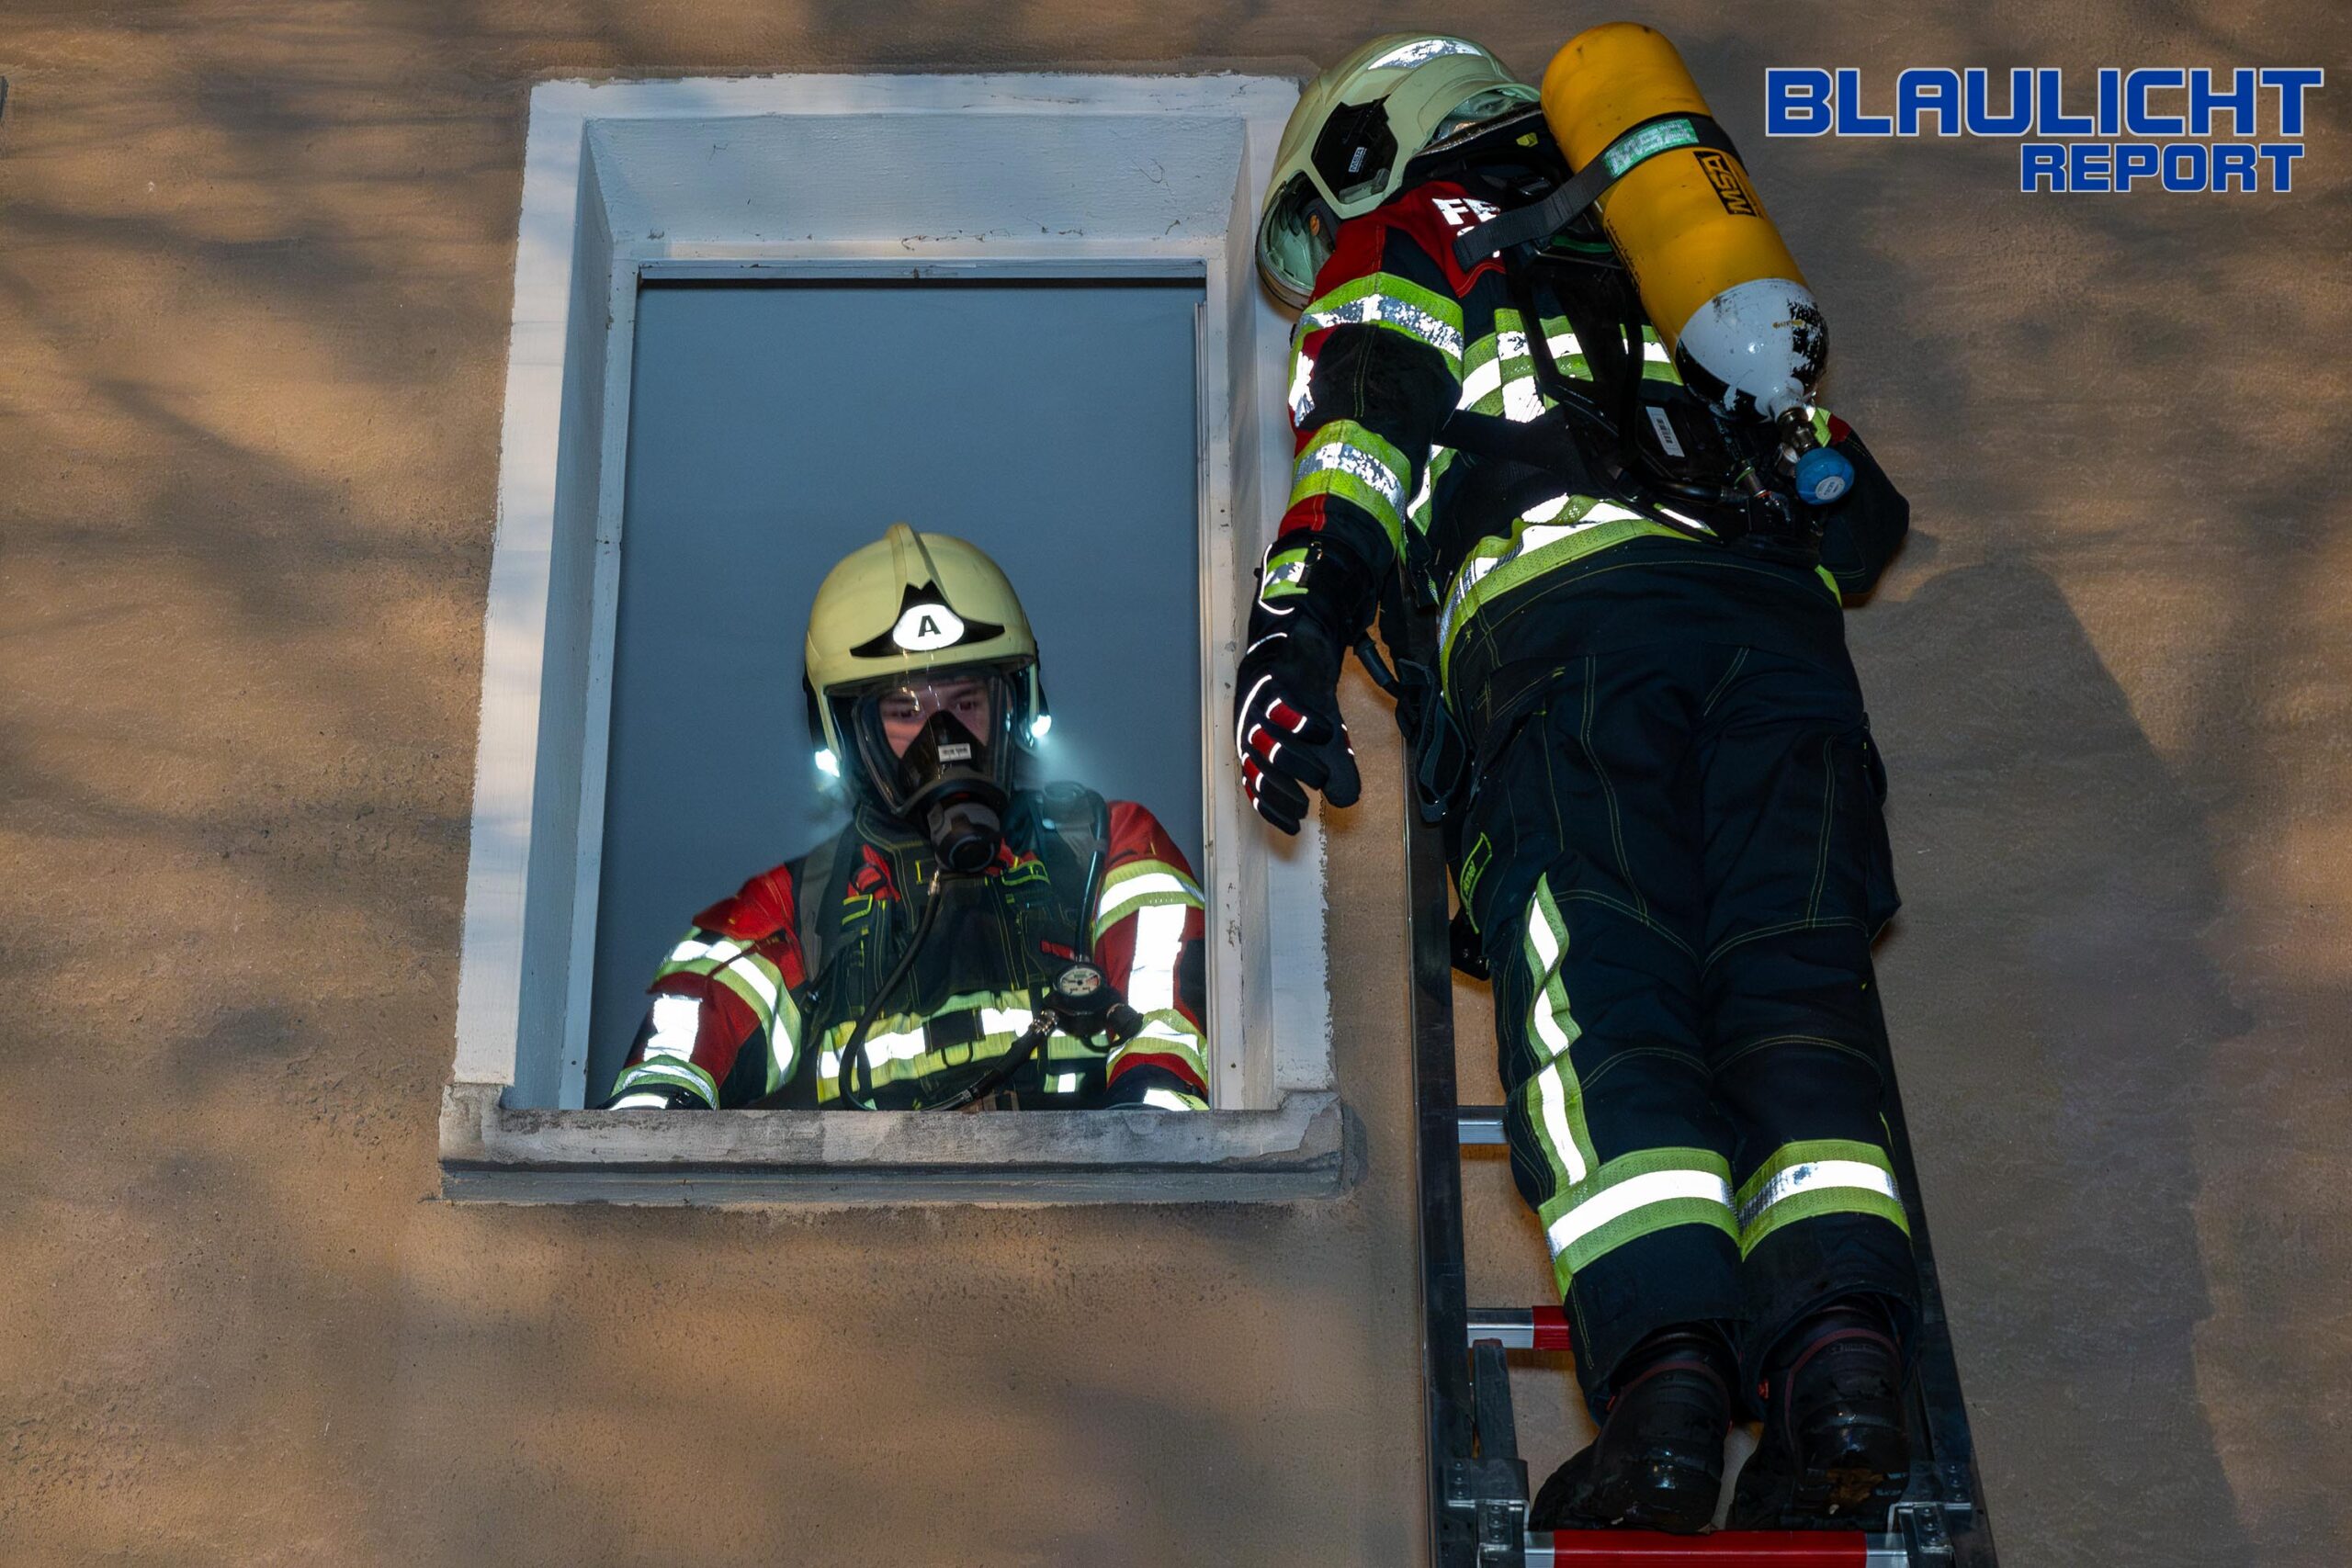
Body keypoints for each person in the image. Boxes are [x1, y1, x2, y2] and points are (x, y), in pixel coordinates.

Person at [1238, 32, 1919, 1531]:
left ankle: (1667, 1400)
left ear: (1368, 144)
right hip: (1781, 663)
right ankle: (1843, 1375)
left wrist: (1288, 643)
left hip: (1572, 660)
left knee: (1607, 1002)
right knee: (1793, 999)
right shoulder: (1674, 259)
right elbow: (1859, 520)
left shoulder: (1411, 234)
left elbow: (1359, 448)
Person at [605, 524, 1211, 1114]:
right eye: (905, 711)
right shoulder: (799, 907)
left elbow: (1165, 1030)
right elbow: (683, 1035)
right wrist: (646, 1122)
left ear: (1014, 704)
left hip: (1093, 1186)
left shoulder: (1103, 848)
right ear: (848, 734)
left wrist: (1144, 1137)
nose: (942, 737)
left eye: (966, 701)